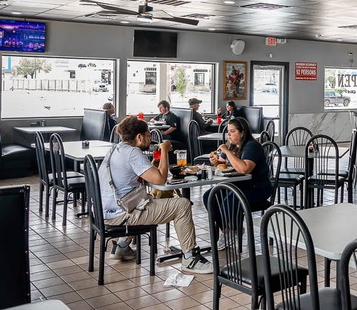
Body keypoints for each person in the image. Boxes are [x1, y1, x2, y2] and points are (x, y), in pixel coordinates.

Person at [98, 116, 211, 274]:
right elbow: (160, 180)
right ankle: (190, 258)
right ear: (139, 137)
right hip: (121, 214)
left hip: (105, 210)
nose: (150, 139)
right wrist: (164, 150)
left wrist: (152, 165)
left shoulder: (116, 149)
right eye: (148, 135)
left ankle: (122, 246)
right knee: (182, 205)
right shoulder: (133, 152)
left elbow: (135, 176)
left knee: (156, 198)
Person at [208, 117, 273, 210]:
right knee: (209, 197)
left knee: (228, 203)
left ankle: (229, 219)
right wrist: (216, 162)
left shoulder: (252, 146)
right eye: (228, 131)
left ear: (242, 133)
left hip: (257, 187)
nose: (228, 134)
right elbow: (222, 163)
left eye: (232, 131)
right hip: (238, 184)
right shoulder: (231, 144)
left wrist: (227, 151)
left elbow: (244, 169)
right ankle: (222, 220)